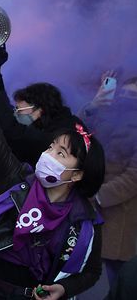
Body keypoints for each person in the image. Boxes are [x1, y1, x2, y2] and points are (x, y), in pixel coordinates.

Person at [0, 55, 105, 300]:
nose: (48, 155)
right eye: (50, 147)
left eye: (61, 153)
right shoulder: (17, 182)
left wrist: (65, 289)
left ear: (77, 174)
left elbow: (92, 271)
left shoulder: (84, 220)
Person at [78, 72, 137, 289]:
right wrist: (93, 104)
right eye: (125, 94)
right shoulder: (108, 115)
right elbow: (75, 136)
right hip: (87, 209)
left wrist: (98, 195)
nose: (127, 100)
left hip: (118, 214)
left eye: (134, 96)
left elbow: (133, 178)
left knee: (115, 280)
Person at [0, 48, 84, 166]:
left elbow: (10, 128)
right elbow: (6, 113)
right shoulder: (69, 122)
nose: (15, 114)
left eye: (19, 110)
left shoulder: (52, 140)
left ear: (39, 111)